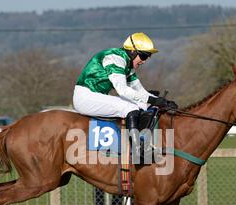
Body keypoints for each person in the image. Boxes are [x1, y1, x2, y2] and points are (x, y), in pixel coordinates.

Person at [73, 32, 177, 164]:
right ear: (132, 51)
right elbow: (123, 91)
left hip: (96, 96)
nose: (144, 61)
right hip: (85, 97)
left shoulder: (127, 65)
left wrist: (163, 102)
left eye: (148, 57)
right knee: (130, 107)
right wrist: (152, 100)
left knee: (142, 105)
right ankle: (138, 151)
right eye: (143, 55)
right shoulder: (115, 58)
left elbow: (140, 92)